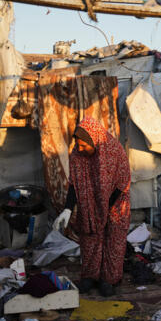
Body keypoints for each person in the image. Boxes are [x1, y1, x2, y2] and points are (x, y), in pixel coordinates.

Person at [53, 117, 131, 297]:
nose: (79, 149)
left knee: (113, 241)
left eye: (83, 146)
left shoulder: (114, 151)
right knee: (90, 238)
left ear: (94, 140)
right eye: (78, 145)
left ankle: (108, 280)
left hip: (116, 203)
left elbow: (122, 183)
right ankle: (90, 276)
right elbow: (74, 184)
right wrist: (67, 208)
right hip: (90, 204)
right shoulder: (77, 155)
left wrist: (104, 209)